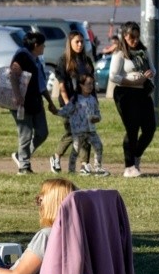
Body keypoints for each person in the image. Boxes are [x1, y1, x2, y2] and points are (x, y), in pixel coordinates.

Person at [109, 21, 156, 178]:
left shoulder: (143, 51)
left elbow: (153, 69)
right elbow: (113, 76)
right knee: (132, 128)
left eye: (137, 36)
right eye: (131, 37)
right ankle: (129, 166)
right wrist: (133, 81)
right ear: (124, 36)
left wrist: (149, 74)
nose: (134, 40)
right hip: (126, 93)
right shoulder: (120, 53)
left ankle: (136, 155)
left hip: (143, 93)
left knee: (150, 128)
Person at [10, 31, 58, 175]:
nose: (44, 47)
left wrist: (49, 101)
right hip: (22, 102)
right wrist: (18, 96)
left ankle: (21, 156)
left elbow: (41, 83)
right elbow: (13, 74)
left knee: (42, 133)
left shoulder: (36, 59)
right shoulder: (22, 55)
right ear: (36, 45)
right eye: (43, 45)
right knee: (25, 134)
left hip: (36, 101)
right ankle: (24, 167)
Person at [50, 31, 94, 174]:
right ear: (70, 43)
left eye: (82, 41)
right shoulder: (63, 61)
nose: (80, 44)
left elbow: (91, 83)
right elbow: (62, 86)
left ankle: (84, 165)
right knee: (72, 132)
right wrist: (69, 104)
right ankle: (56, 157)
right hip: (70, 102)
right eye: (77, 42)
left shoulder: (87, 61)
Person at [56, 74, 109, 177]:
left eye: (92, 84)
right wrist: (56, 111)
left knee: (98, 146)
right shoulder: (75, 99)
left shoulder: (93, 99)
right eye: (88, 84)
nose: (91, 86)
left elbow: (97, 113)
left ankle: (98, 167)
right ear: (81, 85)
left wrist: (97, 118)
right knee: (75, 150)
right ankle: (71, 170)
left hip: (91, 130)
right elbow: (66, 111)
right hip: (78, 132)